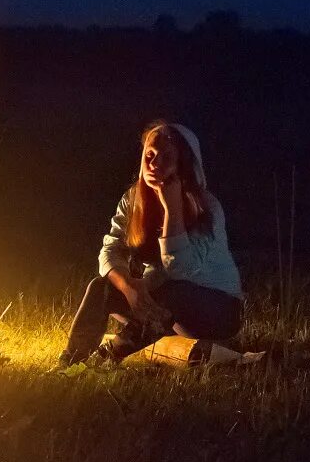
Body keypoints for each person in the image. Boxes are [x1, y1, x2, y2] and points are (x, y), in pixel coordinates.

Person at [56, 119, 244, 366]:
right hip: (163, 307)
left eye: (166, 157)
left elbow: (181, 270)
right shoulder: (134, 199)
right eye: (150, 155)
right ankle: (71, 362)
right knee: (100, 287)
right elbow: (111, 248)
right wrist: (128, 287)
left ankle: (107, 356)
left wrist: (172, 209)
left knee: (175, 291)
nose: (154, 164)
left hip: (215, 309)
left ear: (183, 164)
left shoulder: (206, 207)